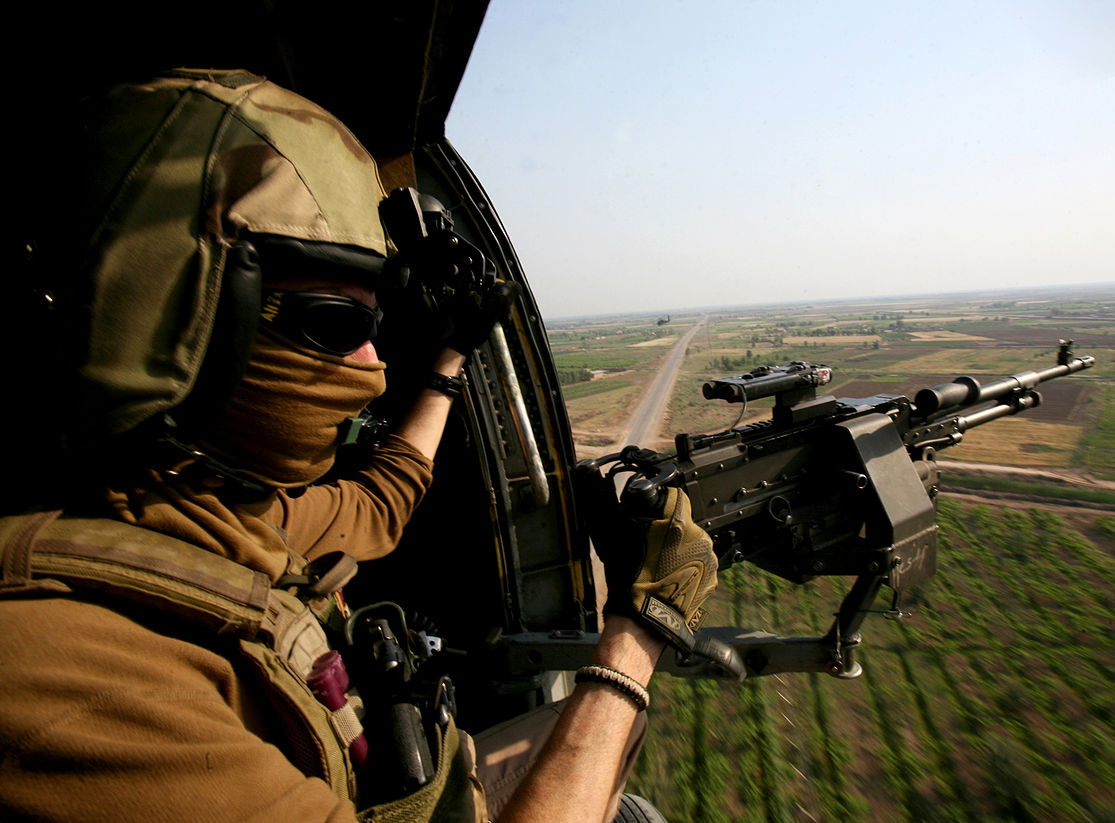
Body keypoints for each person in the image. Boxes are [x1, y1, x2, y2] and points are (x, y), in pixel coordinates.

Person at [0, 70, 718, 823]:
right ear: (155, 319)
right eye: (335, 326)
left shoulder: (199, 519)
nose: (374, 373)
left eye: (373, 334)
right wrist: (638, 636)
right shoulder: (59, 671)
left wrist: (449, 358)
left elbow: (379, 504)